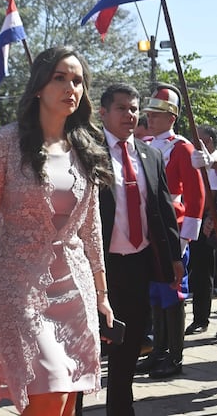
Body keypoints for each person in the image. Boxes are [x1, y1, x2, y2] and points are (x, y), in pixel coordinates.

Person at [0, 46, 114, 416]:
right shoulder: (6, 143)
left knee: (64, 401)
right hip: (17, 284)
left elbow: (90, 228)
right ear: (37, 88)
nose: (70, 87)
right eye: (59, 78)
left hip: (74, 289)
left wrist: (103, 294)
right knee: (49, 393)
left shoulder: (85, 148)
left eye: (77, 80)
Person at [98, 83, 182, 416]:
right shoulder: (86, 152)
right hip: (98, 266)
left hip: (137, 263)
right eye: (121, 108)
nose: (130, 115)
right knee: (88, 346)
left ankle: (121, 407)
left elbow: (163, 209)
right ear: (103, 112)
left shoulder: (150, 154)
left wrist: (174, 256)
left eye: (134, 109)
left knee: (130, 343)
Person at [136, 83, 205, 379]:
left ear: (172, 117)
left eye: (156, 114)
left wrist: (186, 238)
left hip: (173, 229)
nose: (150, 118)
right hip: (148, 230)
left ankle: (174, 357)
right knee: (154, 294)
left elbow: (196, 196)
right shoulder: (148, 144)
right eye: (149, 114)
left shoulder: (182, 147)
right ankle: (158, 351)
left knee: (172, 294)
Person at [185, 124, 217, 335]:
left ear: (210, 142)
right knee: (199, 272)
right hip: (198, 220)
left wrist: (211, 217)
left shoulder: (213, 159)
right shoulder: (192, 159)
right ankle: (200, 319)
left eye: (201, 142)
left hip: (211, 220)